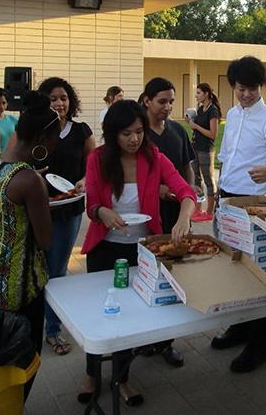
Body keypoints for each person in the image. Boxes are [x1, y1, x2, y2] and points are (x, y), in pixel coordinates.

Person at [79, 100, 196, 406]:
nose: (134, 139)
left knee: (130, 319)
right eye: (126, 133)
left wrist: (184, 217)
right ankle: (92, 373)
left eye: (139, 132)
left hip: (142, 251)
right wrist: (103, 212)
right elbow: (91, 203)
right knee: (100, 315)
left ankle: (122, 379)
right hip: (106, 249)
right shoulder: (98, 159)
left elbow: (186, 192)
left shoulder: (154, 158)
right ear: (112, 133)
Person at [0, 91, 57, 400]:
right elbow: (46, 240)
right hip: (17, 286)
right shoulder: (29, 181)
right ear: (41, 140)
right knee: (24, 359)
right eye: (53, 140)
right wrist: (42, 196)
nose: (54, 146)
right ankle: (11, 405)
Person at [212, 56, 266, 373]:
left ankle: (260, 345)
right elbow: (226, 157)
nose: (246, 94)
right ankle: (239, 328)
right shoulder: (232, 115)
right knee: (233, 270)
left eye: (252, 88)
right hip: (227, 201)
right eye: (241, 88)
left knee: (258, 273)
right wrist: (215, 196)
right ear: (233, 86)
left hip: (254, 203)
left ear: (261, 87)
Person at [37, 77, 95, 356]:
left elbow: (94, 165)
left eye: (63, 98)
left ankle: (52, 330)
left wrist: (84, 181)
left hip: (68, 209)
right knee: (36, 268)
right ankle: (30, 325)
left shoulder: (81, 131)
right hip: (36, 208)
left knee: (56, 270)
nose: (59, 103)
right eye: (53, 99)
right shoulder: (35, 132)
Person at [141, 77, 196, 367]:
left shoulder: (177, 130)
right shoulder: (138, 135)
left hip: (179, 216)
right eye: (162, 101)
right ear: (147, 101)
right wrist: (158, 190)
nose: (168, 107)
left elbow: (188, 166)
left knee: (175, 277)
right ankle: (145, 338)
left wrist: (191, 190)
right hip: (149, 218)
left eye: (171, 101)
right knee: (150, 276)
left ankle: (166, 342)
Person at [186, 82, 220, 221]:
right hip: (196, 147)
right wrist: (191, 123)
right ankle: (198, 209)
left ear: (206, 93)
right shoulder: (200, 109)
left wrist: (196, 126)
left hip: (206, 149)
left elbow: (213, 134)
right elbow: (197, 127)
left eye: (199, 93)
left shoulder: (213, 111)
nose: (196, 96)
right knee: (196, 179)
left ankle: (210, 211)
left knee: (208, 180)